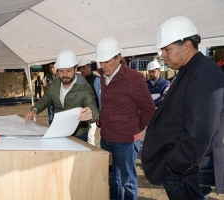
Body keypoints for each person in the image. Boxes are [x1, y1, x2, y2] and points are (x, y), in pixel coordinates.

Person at [141, 16, 224, 200]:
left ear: (186, 46)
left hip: (188, 170)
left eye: (166, 49)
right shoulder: (191, 69)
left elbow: (201, 131)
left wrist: (174, 163)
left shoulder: (203, 72)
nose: (162, 55)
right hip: (185, 168)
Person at [94, 37, 155, 200]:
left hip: (126, 142)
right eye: (100, 62)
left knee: (129, 182)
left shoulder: (133, 78)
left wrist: (135, 129)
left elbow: (149, 108)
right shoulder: (101, 77)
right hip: (106, 138)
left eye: (106, 61)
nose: (103, 66)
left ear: (118, 58)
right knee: (113, 178)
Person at [25, 50, 99, 141]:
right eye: (61, 71)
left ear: (76, 69)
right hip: (59, 131)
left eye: (68, 71)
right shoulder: (55, 84)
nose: (64, 75)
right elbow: (45, 99)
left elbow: (93, 108)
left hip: (79, 135)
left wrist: (91, 114)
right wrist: (35, 109)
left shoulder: (84, 87)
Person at [78, 56, 101, 145]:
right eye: (80, 68)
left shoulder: (96, 80)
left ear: (89, 67)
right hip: (81, 114)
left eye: (84, 68)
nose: (82, 70)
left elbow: (100, 98)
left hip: (92, 114)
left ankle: (92, 155)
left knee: (90, 136)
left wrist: (98, 116)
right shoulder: (80, 80)